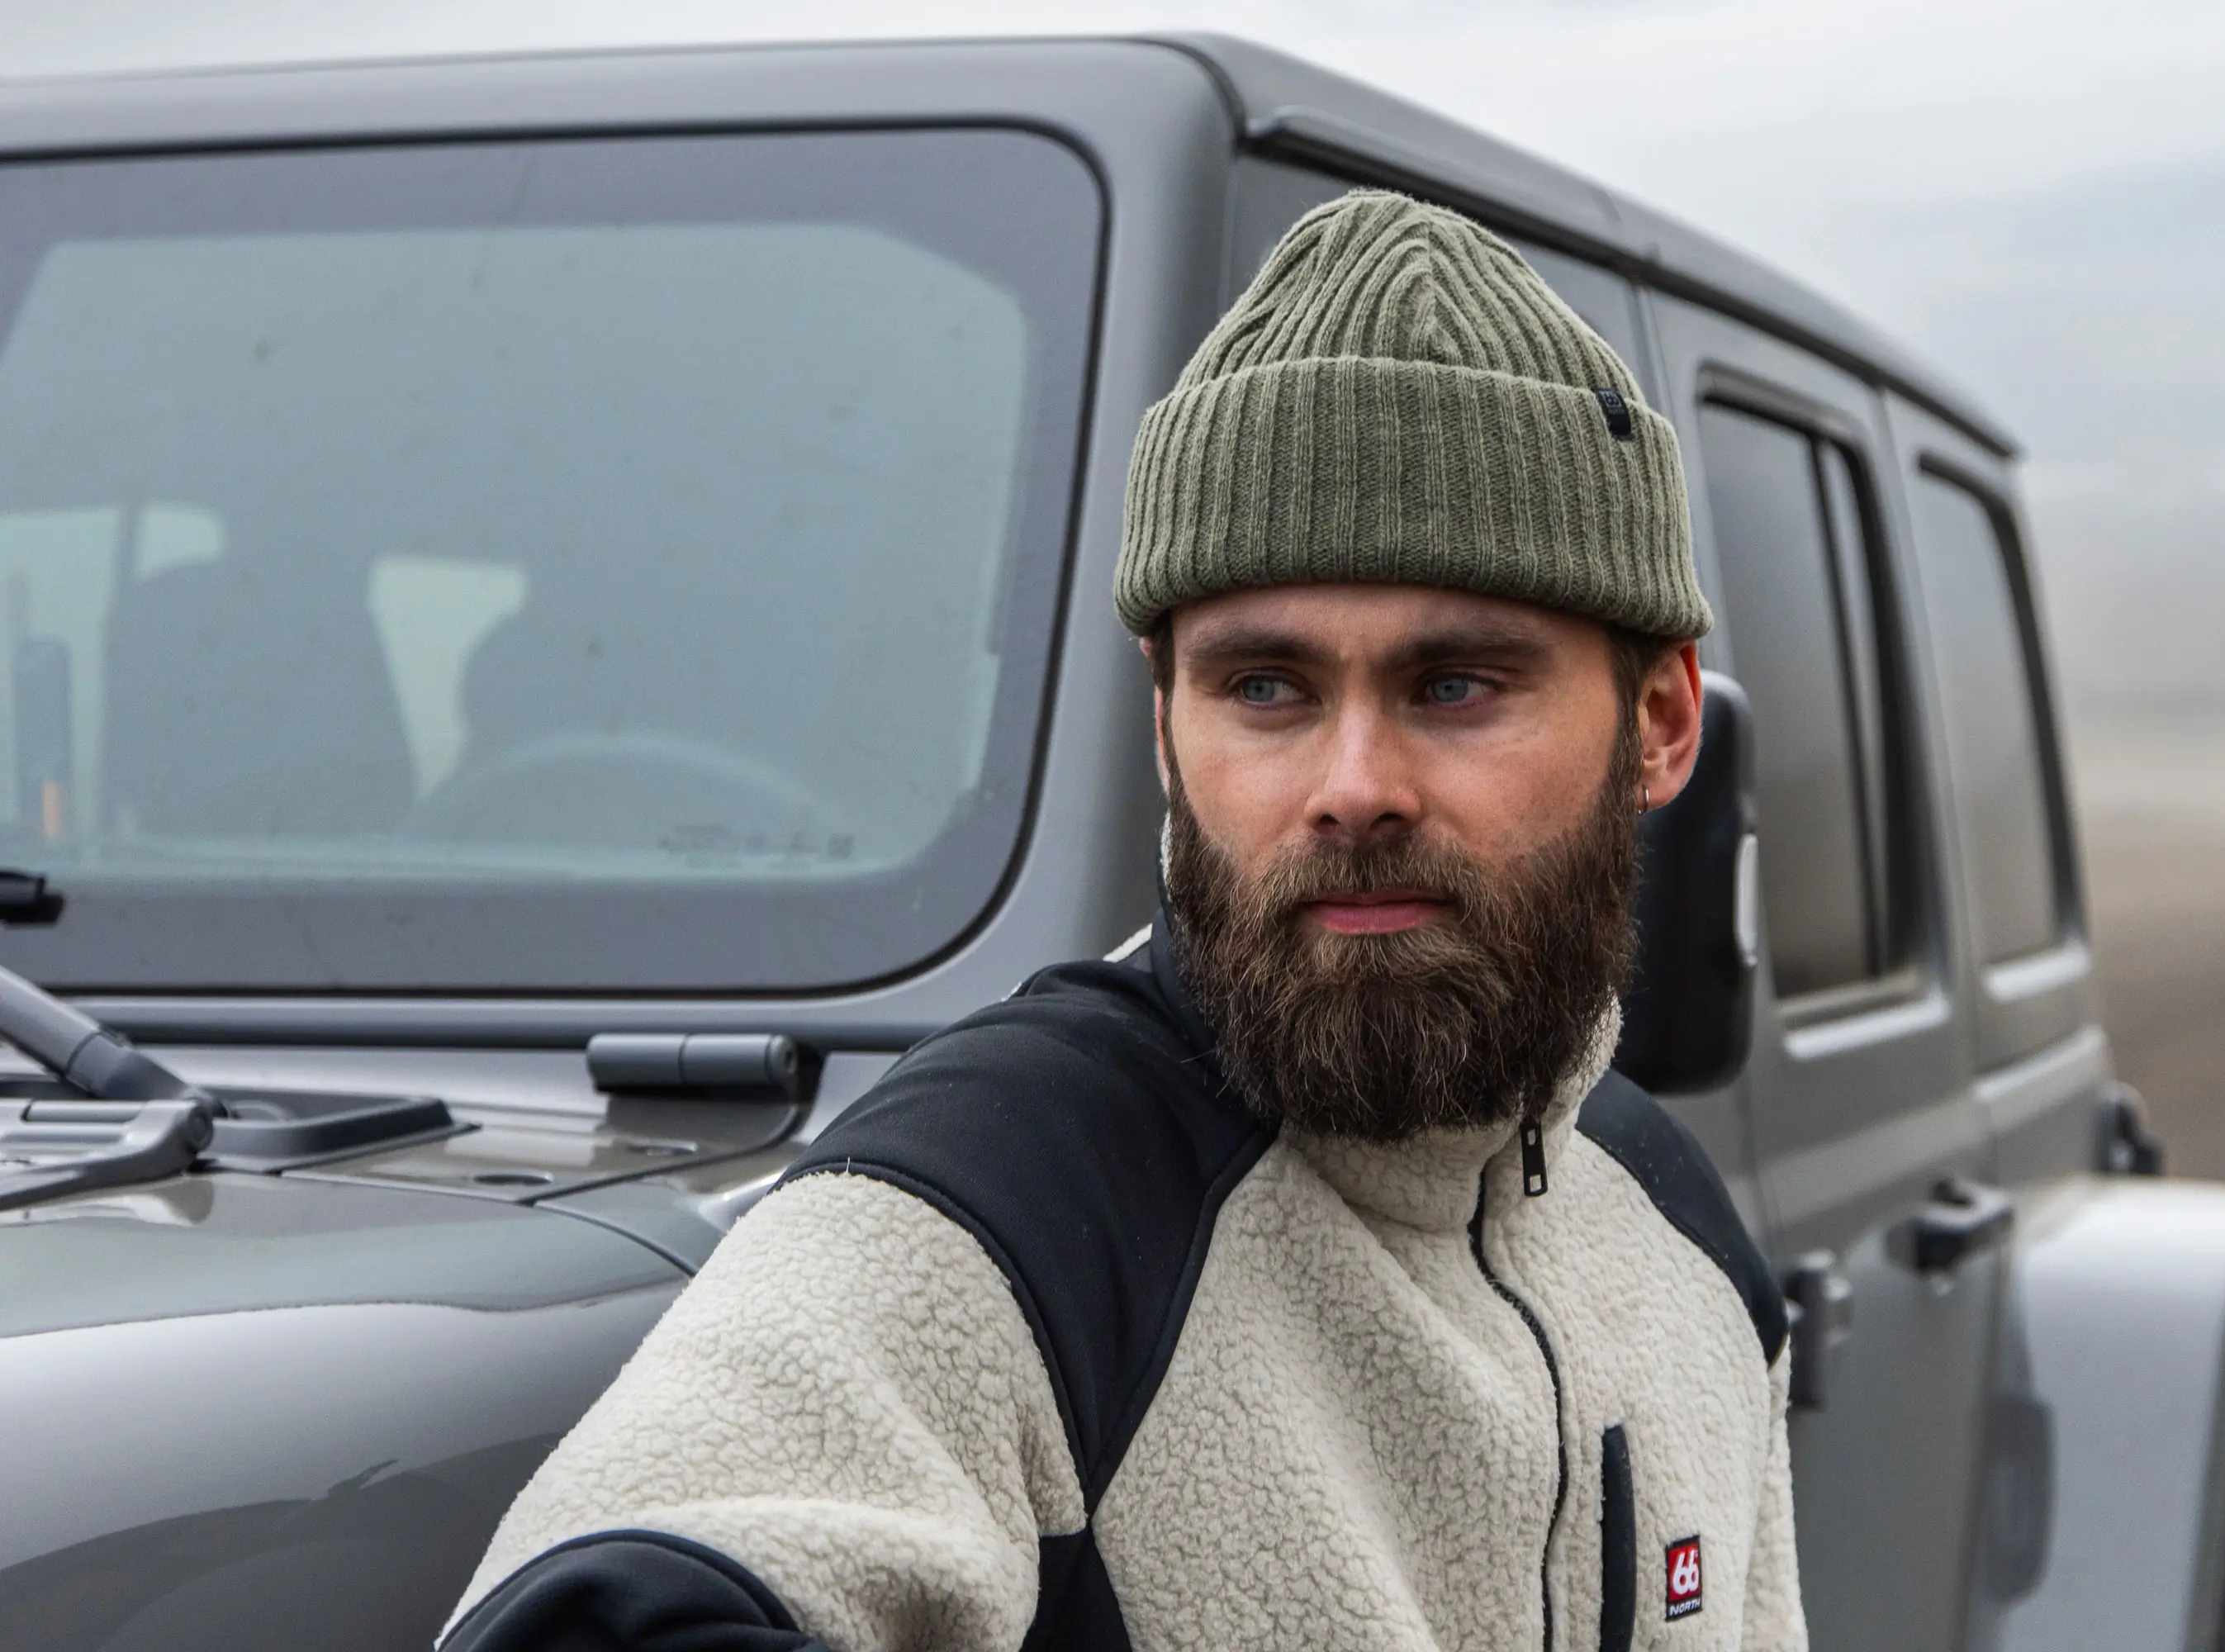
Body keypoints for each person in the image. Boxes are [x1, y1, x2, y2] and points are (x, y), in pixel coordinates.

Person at [440, 190, 1805, 1652]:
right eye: (1265, 688)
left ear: (1661, 723)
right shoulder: (1004, 1212)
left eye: (1456, 685)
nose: (1354, 787)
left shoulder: (1680, 1237)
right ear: (1166, 726)